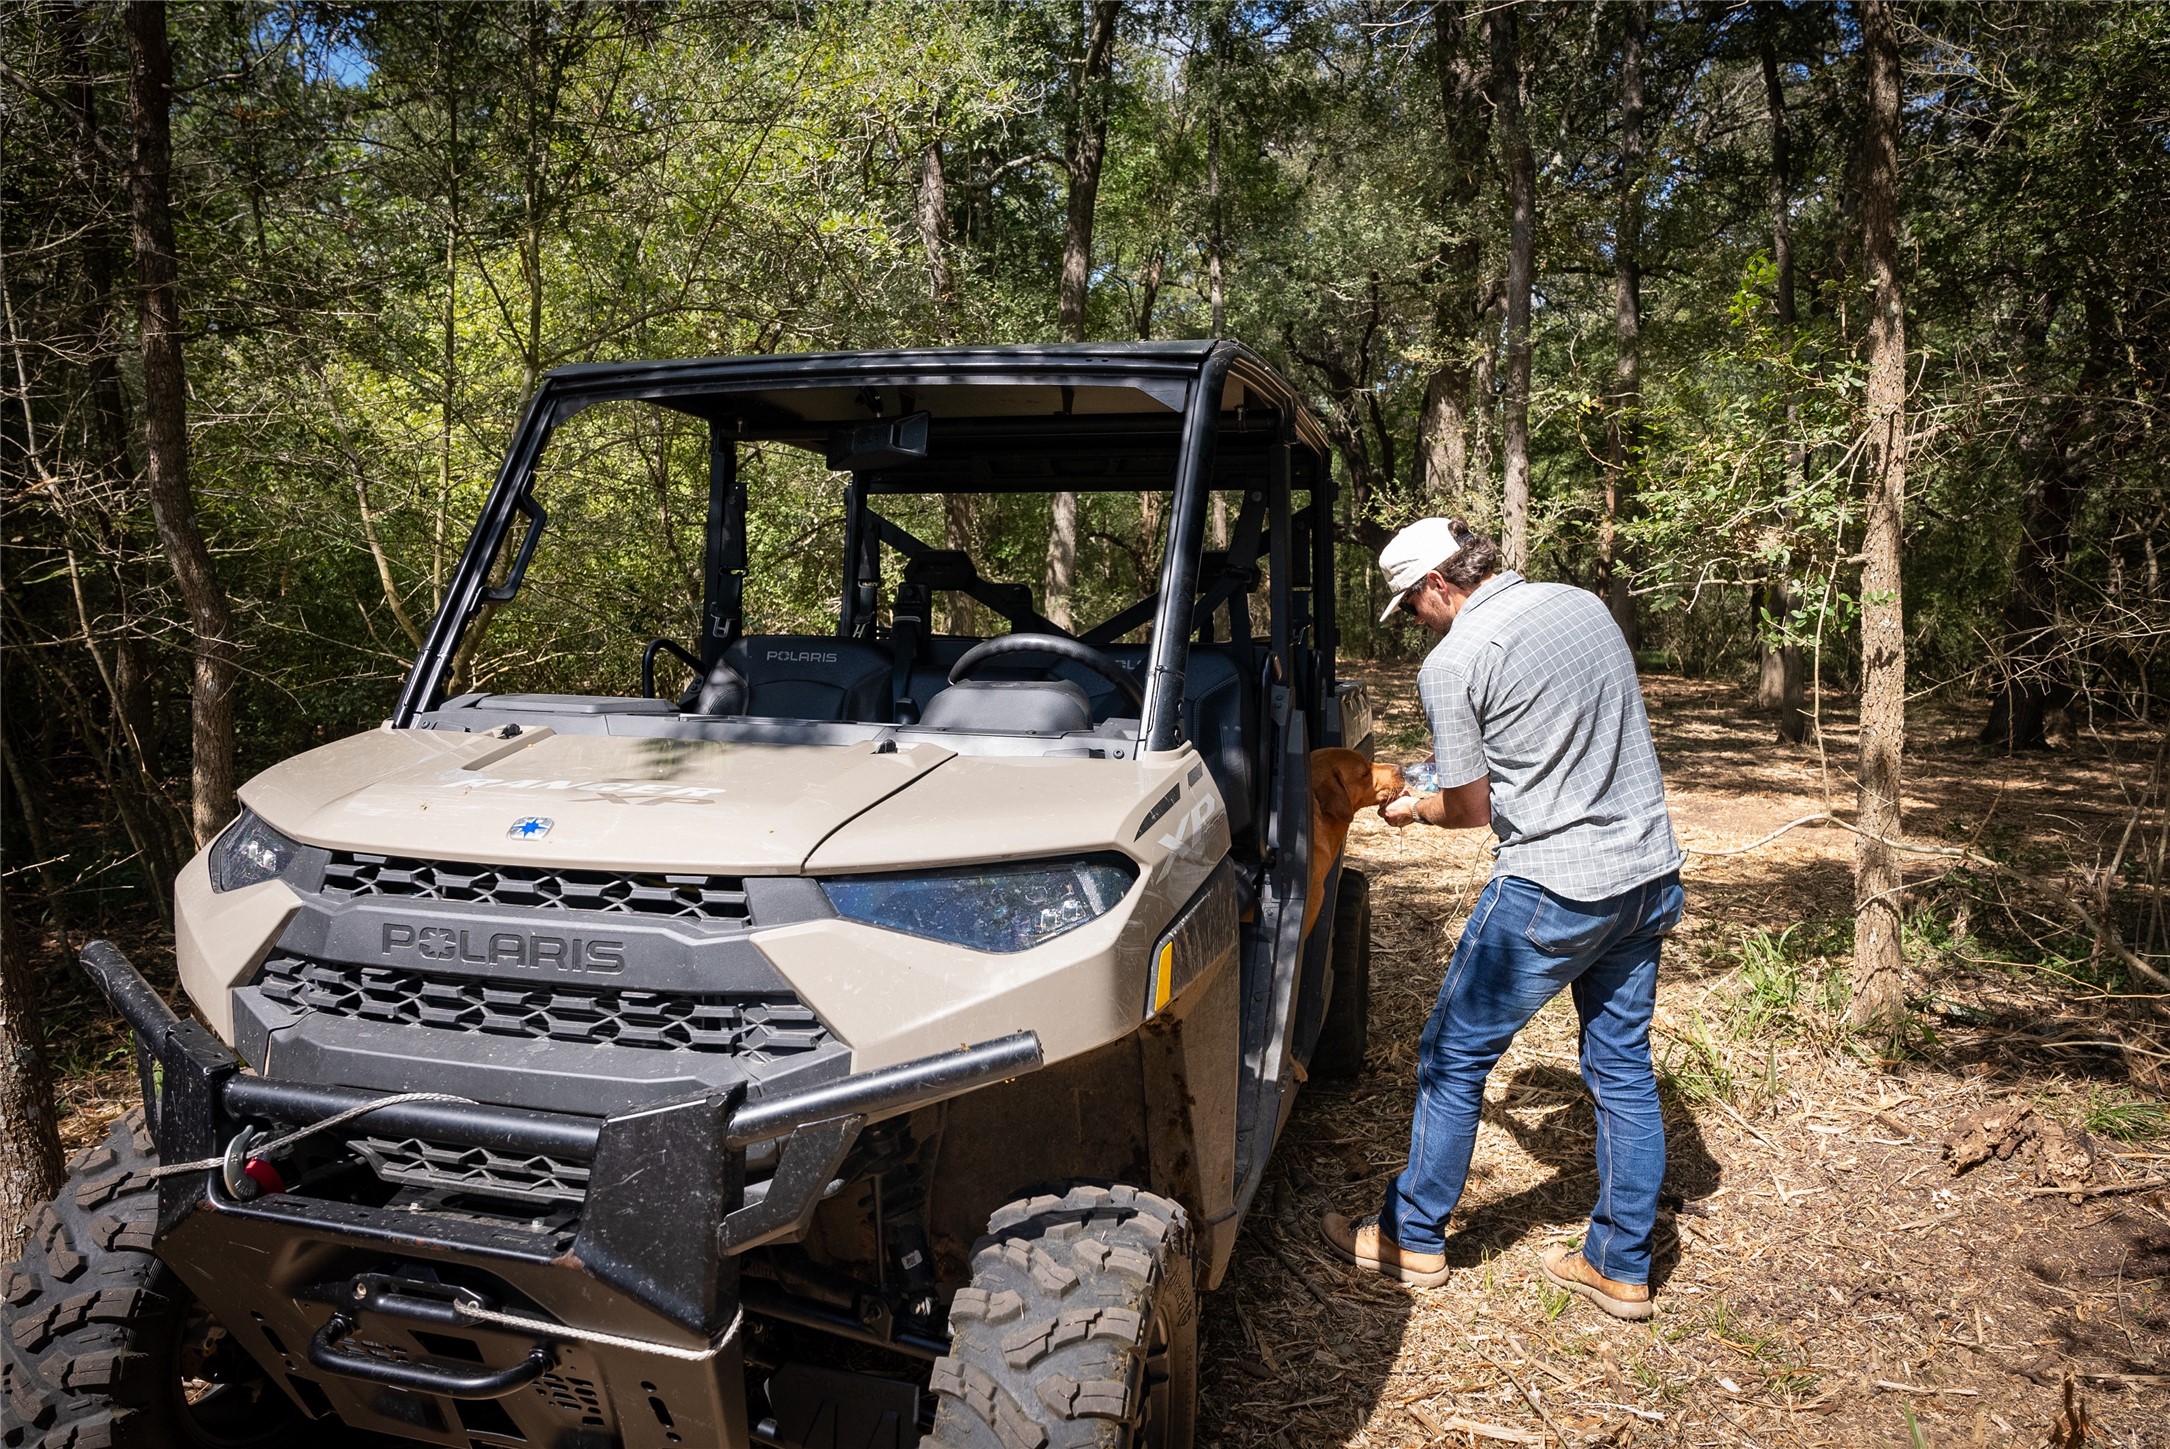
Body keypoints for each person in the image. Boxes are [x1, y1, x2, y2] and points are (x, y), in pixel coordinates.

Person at [1321, 517, 1685, 1320]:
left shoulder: (1454, 662)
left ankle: (1411, 1236)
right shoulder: (1581, 604)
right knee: (1622, 1069)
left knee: (1451, 1058)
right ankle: (1620, 1264)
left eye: (1410, 607)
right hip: (1648, 874)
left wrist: (1415, 809)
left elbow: (1472, 806)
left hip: (1553, 887)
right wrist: (1419, 771)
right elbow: (1542, 740)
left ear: (1437, 586)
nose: (1414, 623)